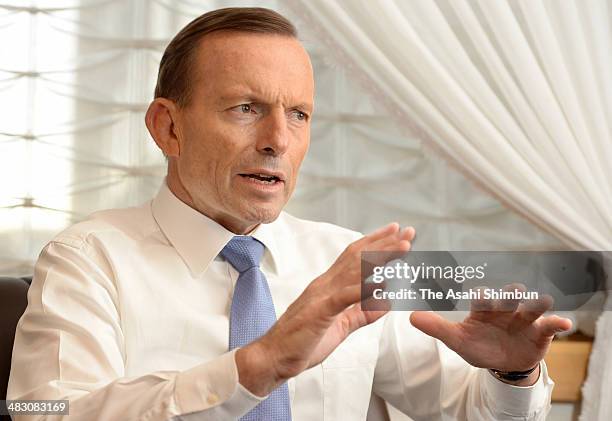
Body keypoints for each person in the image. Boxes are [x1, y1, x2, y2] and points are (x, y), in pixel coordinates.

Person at [8, 7, 572, 421]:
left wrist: (512, 374)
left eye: (298, 114)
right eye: (245, 108)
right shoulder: (87, 258)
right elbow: (46, 412)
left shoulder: (350, 262)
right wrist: (259, 365)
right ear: (168, 126)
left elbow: (471, 412)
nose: (277, 139)